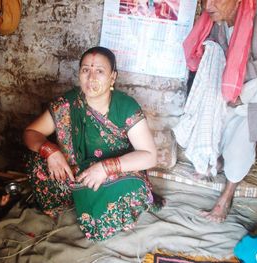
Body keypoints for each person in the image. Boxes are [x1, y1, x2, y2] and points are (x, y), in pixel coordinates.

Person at [24, 46, 163, 241]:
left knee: (131, 188)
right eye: (85, 70)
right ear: (79, 73)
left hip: (114, 173)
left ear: (112, 77)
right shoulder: (67, 103)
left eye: (99, 71)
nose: (91, 78)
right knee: (36, 160)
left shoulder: (126, 107)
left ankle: (92, 200)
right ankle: (77, 198)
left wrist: (106, 168)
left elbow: (149, 156)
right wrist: (50, 151)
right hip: (74, 171)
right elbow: (31, 133)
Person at [179, 0, 257, 222]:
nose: (208, 5)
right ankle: (215, 159)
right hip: (226, 96)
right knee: (206, 128)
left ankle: (227, 194)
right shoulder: (215, 22)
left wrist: (242, 96)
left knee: (238, 150)